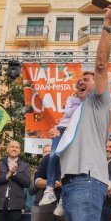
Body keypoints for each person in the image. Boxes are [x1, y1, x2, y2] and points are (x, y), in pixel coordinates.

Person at [53, 2, 111, 221]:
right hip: (70, 184)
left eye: (88, 79)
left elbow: (101, 64)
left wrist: (108, 24)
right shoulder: (73, 114)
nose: (82, 82)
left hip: (87, 181)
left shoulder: (98, 102)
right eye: (79, 80)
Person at [40, 79, 83, 207]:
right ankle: (49, 189)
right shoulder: (72, 99)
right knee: (53, 155)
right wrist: (80, 107)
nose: (81, 88)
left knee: (70, 162)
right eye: (79, 86)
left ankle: (64, 197)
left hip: (75, 132)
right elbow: (68, 112)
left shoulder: (89, 102)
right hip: (62, 129)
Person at [0, 140, 31, 221]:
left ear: (20, 150)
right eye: (12, 146)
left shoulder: (25, 166)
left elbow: (27, 183)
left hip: (15, 205)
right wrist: (7, 175)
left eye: (17, 147)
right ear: (7, 149)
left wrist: (15, 173)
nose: (14, 149)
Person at [34, 150, 70, 221]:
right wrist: (50, 183)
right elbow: (37, 181)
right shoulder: (47, 158)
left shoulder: (75, 158)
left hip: (67, 202)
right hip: (48, 202)